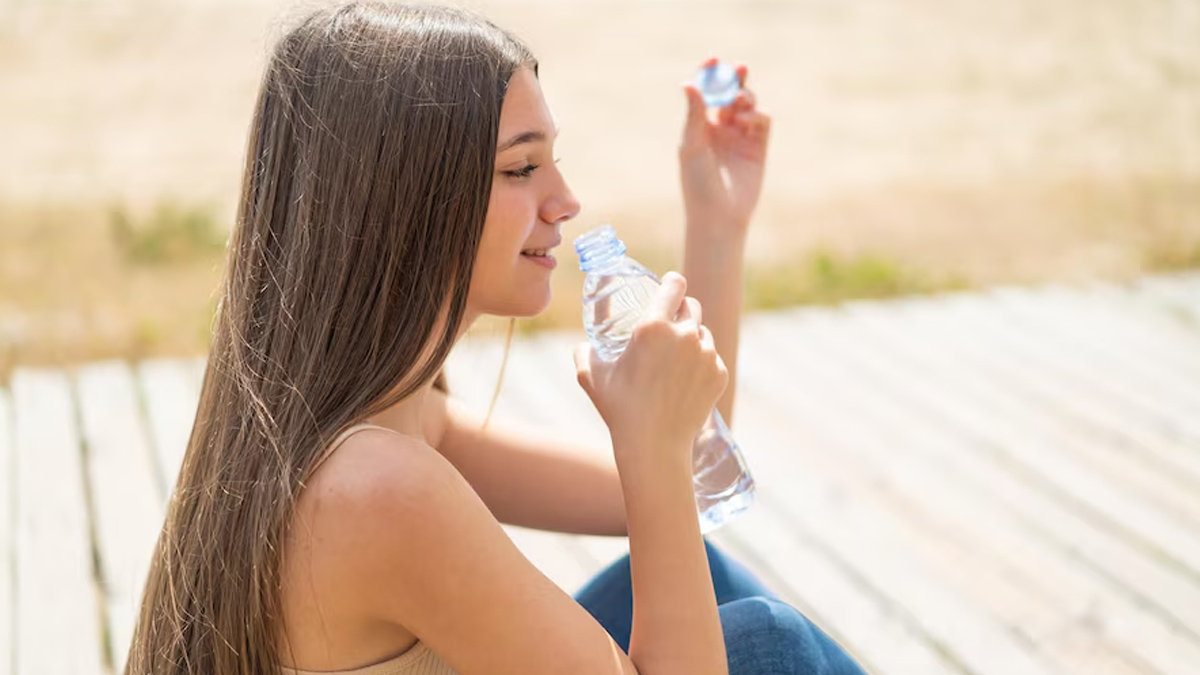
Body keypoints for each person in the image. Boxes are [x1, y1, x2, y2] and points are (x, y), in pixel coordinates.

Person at [123, 2, 868, 674]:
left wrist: (716, 223)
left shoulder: (392, 422)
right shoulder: (377, 489)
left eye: (553, 160)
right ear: (406, 200)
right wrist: (646, 439)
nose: (565, 200)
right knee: (767, 641)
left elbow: (696, 476)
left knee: (706, 577)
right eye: (521, 167)